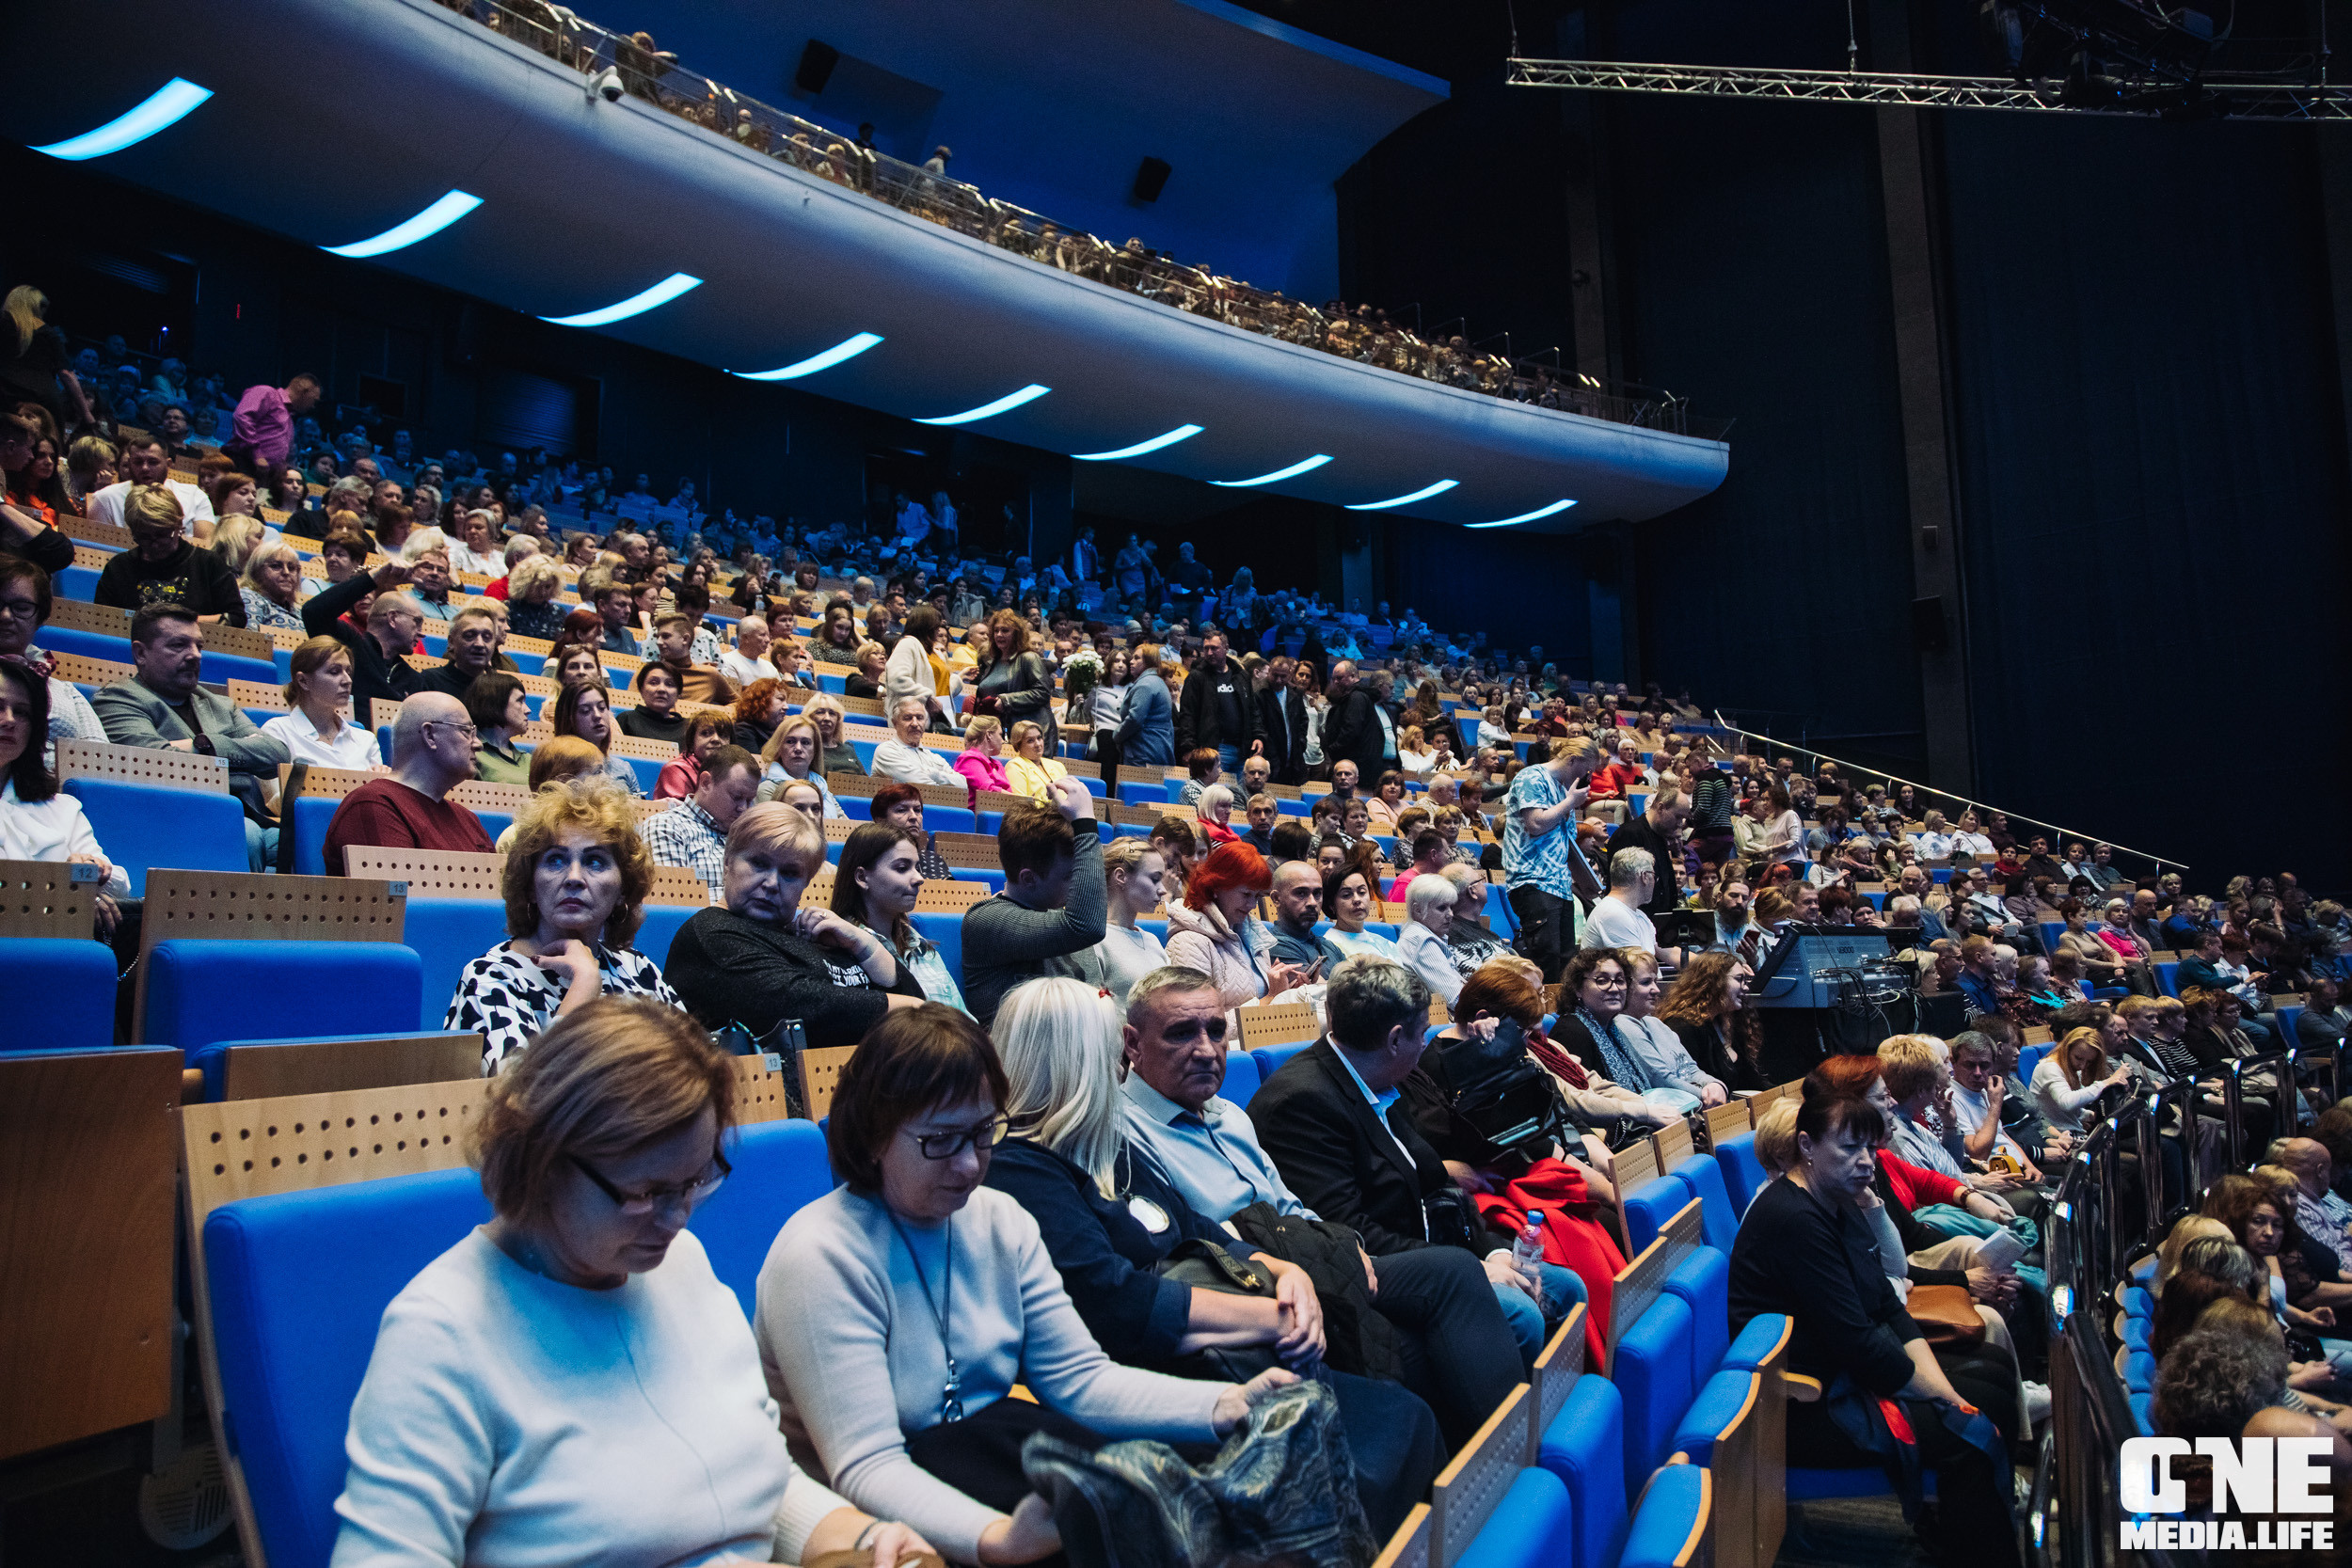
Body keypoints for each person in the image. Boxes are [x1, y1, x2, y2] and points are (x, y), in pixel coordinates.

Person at [333, 998, 933, 1567]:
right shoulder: (440, 1336)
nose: (677, 1220)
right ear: (542, 1157)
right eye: (646, 1194)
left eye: (695, 1183)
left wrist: (860, 1536)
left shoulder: (681, 1264)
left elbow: (755, 1479)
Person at [755, 1005, 1296, 1568]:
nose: (969, 1165)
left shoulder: (999, 1219)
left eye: (983, 1133)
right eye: (941, 1140)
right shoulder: (819, 1255)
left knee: (1207, 1497)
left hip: (985, 1448)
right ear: (871, 1134)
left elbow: (1080, 1380)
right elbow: (867, 1466)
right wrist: (998, 1539)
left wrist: (1227, 1404)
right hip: (881, 1522)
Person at [980, 978, 1439, 1539]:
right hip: (1148, 1371)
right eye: (1109, 1054)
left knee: (1404, 1410)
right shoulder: (1020, 1167)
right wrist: (1274, 1314)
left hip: (1209, 1343)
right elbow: (1113, 1302)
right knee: (1394, 1427)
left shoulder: (1100, 1144)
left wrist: (1284, 1271)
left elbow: (1195, 1226)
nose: (1118, 1069)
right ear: (1073, 1064)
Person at [1114, 965, 1527, 1441]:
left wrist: (1345, 1246)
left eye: (1216, 1031)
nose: (1206, 1050)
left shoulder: (1228, 1114)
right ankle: (1511, 1458)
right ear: (1132, 1043)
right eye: (1181, 1034)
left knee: (1449, 1295)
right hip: (1255, 1286)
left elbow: (1290, 1204)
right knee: (1452, 1275)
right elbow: (1189, 1247)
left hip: (1311, 1254)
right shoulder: (1125, 1136)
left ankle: (1503, 1466)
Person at [1727, 1077, 2024, 1568]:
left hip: (1838, 1371)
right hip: (1802, 1404)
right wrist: (1944, 1398)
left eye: (1870, 1146)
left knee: (1991, 1371)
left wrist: (1942, 1394)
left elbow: (1886, 1307)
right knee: (1980, 1415)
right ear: (1806, 1146)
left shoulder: (1835, 1202)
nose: (1866, 1160)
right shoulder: (1794, 1219)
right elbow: (1857, 1342)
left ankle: (1966, 1524)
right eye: (1849, 1148)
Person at [1251, 956, 1581, 1358]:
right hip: (1380, 1270)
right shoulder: (1301, 1103)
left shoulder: (1386, 1076)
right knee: (1520, 1313)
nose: (1425, 1044)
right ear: (1393, 1040)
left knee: (1567, 1288)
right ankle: (1510, 1418)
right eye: (1422, 1033)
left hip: (1431, 1245)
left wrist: (1491, 1251)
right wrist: (1468, 1268)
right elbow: (1347, 1232)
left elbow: (1439, 1181)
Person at [443, 780, 681, 1071]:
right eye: (555, 860)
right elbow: (516, 1098)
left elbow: (692, 1074)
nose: (574, 877)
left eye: (595, 862)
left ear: (622, 889)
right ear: (530, 885)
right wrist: (583, 987)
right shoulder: (491, 978)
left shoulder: (638, 970)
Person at [94, 604, 287, 870]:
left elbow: (275, 754)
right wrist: (238, 761)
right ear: (141, 653)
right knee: (243, 835)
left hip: (243, 815)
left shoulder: (221, 704)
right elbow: (154, 762)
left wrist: (205, 745)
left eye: (199, 646)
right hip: (172, 819)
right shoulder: (118, 699)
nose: (195, 655)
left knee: (309, 839)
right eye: (178, 645)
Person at [958, 782, 1106, 1026]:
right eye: (1070, 877)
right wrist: (1086, 824)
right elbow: (1087, 926)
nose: (1077, 886)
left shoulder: (1062, 915)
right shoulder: (985, 920)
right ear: (1029, 878)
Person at [0, 658, 128, 936]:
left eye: (22, 712)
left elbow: (118, 883)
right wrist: (65, 891)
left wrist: (88, 876)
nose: (9, 720)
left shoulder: (63, 807)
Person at [320, 691, 495, 875]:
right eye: (466, 731)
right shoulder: (374, 805)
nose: (478, 744)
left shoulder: (468, 819)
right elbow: (403, 899)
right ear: (430, 735)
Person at [831, 820, 969, 1012]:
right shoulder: (838, 950)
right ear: (862, 878)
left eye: (917, 867)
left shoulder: (922, 948)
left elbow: (964, 1021)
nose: (919, 878)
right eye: (902, 868)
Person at [1162, 840, 1305, 1013]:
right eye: (1246, 894)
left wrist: (1285, 992)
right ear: (1215, 886)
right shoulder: (1188, 942)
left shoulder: (1253, 935)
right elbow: (1196, 1020)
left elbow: (1262, 1000)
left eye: (1257, 896)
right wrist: (1269, 999)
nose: (1252, 905)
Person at [1502, 736, 1602, 980]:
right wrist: (1570, 802)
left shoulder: (1561, 789)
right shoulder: (1531, 777)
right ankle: (1539, 1016)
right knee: (1545, 958)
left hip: (1560, 884)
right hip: (1534, 880)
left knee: (1566, 960)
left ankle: (1559, 1016)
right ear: (1572, 760)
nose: (1587, 776)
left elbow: (1566, 844)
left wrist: (1586, 882)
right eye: (1585, 768)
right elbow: (1536, 823)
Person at [93, 483, 245, 625]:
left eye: (162, 535)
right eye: (144, 537)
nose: (155, 544)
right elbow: (101, 620)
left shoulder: (208, 563)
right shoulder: (118, 567)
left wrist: (177, 625)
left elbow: (236, 618)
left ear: (179, 524)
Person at [0, 558, 105, 761]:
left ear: (40, 617)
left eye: (21, 607)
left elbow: (98, 762)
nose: (5, 616)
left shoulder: (66, 692)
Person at [1044, 836, 1169, 1006]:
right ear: (1120, 877)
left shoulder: (1152, 940)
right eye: (1155, 879)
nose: (1163, 890)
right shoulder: (1092, 941)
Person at [1613, 947, 1728, 1109]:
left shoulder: (1656, 1023)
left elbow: (1691, 1069)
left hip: (1693, 1106)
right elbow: (1660, 1080)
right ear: (1624, 986)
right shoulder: (1622, 1024)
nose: (1656, 990)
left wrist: (1715, 1085)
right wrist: (1705, 1095)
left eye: (1655, 981)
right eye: (1646, 982)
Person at [257, 635, 384, 771]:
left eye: (348, 672)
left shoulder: (366, 740)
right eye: (335, 672)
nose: (347, 680)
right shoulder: (277, 732)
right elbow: (276, 792)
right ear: (303, 681)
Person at [640, 745, 760, 885]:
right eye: (737, 796)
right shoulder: (666, 827)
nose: (743, 808)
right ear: (706, 783)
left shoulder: (750, 837)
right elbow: (676, 901)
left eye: (750, 800)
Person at [970, 610, 1055, 752]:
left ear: (1016, 634)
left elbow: (1042, 692)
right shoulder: (994, 662)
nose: (999, 635)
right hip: (1001, 735)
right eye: (996, 631)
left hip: (1027, 736)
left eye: (1005, 631)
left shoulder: (1028, 658)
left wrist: (1007, 700)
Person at [547, 681, 643, 796]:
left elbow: (640, 810)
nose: (597, 715)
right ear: (569, 719)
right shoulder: (556, 769)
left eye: (602, 708)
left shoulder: (623, 768)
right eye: (585, 711)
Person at [1394, 873, 1467, 1005]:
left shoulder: (1420, 934)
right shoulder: (1420, 940)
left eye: (1451, 907)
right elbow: (1457, 1000)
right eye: (1442, 908)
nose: (1450, 914)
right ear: (1418, 910)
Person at [755, 714, 846, 818]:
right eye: (790, 742)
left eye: (805, 742)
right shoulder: (767, 790)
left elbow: (843, 827)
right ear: (779, 748)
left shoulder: (823, 788)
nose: (798, 748)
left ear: (815, 750)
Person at [1317, 862, 1401, 967]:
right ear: (1331, 905)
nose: (1357, 900)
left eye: (1362, 892)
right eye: (1347, 895)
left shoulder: (1386, 943)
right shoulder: (1328, 947)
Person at [870, 695, 965, 788]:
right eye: (908, 718)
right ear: (895, 723)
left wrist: (934, 774)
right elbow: (923, 788)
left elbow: (963, 784)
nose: (915, 724)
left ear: (926, 722)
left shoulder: (935, 758)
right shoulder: (886, 751)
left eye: (919, 718)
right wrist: (948, 785)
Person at [1579, 847, 1660, 954]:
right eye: (1653, 875)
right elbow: (1637, 967)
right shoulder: (1614, 913)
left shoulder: (1638, 915)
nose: (1654, 881)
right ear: (1644, 876)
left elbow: (1668, 952)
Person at [460, 672, 532, 785]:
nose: (528, 710)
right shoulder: (471, 755)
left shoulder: (528, 759)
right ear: (496, 703)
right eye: (520, 701)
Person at [1115, 642, 1175, 768]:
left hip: (1143, 750)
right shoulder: (1158, 681)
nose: (1131, 662)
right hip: (1156, 748)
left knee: (1135, 787)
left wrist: (1117, 735)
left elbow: (1135, 719)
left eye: (1136, 658)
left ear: (1149, 661)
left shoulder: (1145, 684)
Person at [238, 538, 309, 633]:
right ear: (257, 571)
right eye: (276, 566)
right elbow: (249, 641)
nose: (286, 572)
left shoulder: (299, 610)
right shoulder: (249, 597)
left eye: (291, 568)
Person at [1001, 720, 1065, 802]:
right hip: (1040, 814)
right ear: (1018, 745)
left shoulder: (1058, 765)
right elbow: (1021, 805)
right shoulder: (1016, 766)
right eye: (1030, 741)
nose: (1038, 744)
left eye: (1039, 738)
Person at [952, 714, 1010, 799]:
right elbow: (987, 791)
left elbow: (1010, 793)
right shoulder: (969, 759)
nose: (1003, 741)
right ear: (989, 735)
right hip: (978, 811)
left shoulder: (997, 764)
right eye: (1000, 735)